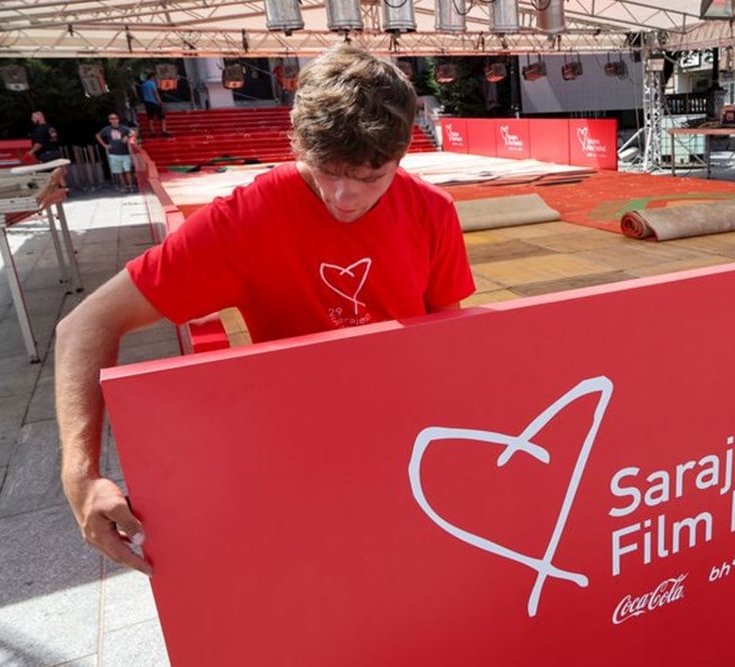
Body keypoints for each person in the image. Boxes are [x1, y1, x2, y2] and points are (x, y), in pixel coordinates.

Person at [57, 44, 475, 576]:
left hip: (408, 447)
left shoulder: (433, 211)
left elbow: (446, 343)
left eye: (371, 178)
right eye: (326, 171)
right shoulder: (245, 219)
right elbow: (84, 323)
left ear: (403, 154)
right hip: (295, 453)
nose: (344, 196)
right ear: (298, 145)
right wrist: (80, 475)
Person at [95, 113, 136, 193]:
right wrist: (104, 145)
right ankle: (124, 187)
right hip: (113, 153)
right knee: (119, 172)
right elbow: (97, 135)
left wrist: (127, 137)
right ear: (109, 120)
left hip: (125, 153)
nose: (114, 120)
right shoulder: (107, 129)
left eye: (115, 118)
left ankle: (131, 186)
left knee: (128, 170)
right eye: (112, 119)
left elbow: (133, 132)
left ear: (118, 119)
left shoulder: (123, 128)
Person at [140, 72, 171, 137]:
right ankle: (164, 131)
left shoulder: (143, 84)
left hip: (147, 102)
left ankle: (152, 132)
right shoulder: (152, 83)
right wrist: (160, 101)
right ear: (152, 77)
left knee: (150, 118)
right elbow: (155, 92)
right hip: (154, 102)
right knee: (162, 117)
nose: (155, 79)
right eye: (154, 78)